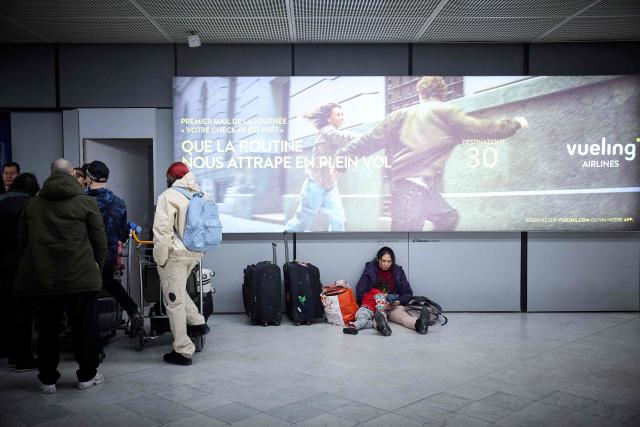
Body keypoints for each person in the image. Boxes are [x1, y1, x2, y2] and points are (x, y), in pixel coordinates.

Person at [339, 76, 528, 231]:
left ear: (420, 94)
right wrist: (516, 123)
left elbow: (368, 141)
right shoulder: (447, 112)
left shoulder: (400, 114)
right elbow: (483, 129)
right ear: (443, 94)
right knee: (403, 249)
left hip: (415, 189)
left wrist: (340, 161)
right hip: (410, 191)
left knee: (448, 217)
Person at [14, 158, 106, 393]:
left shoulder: (32, 206)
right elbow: (99, 241)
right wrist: (97, 266)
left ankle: (47, 379)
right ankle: (86, 376)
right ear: (73, 176)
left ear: (51, 174)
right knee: (84, 328)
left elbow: (22, 243)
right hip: (82, 275)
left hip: (45, 278)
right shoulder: (86, 203)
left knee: (47, 330)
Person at [153, 161, 209, 366]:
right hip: (194, 253)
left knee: (173, 301)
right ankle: (197, 322)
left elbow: (162, 230)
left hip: (175, 254)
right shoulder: (200, 195)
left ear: (170, 177)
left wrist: (160, 257)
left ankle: (183, 350)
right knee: (179, 291)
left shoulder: (167, 196)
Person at [85, 160, 143, 334]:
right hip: (108, 255)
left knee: (87, 296)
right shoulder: (119, 203)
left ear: (89, 178)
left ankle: (93, 339)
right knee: (110, 283)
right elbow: (120, 233)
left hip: (85, 255)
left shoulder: (82, 202)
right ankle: (133, 311)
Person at [285, 103, 359, 232]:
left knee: (338, 219)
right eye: (338, 115)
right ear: (329, 118)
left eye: (342, 115)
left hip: (330, 184)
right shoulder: (326, 131)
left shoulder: (330, 131)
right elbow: (342, 137)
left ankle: (336, 249)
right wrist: (363, 136)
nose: (342, 118)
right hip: (315, 184)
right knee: (302, 222)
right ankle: (283, 242)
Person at [0, 173, 39, 371]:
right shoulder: (32, 205)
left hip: (2, 264)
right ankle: (23, 357)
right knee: (24, 312)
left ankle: (10, 354)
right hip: (22, 264)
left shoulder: (1, 201)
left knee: (7, 311)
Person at [355, 247, 430, 334]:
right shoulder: (370, 270)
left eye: (389, 261)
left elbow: (408, 293)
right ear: (378, 259)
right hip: (375, 305)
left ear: (392, 261)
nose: (386, 264)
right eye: (383, 261)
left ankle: (420, 324)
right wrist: (379, 301)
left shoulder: (398, 271)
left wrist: (398, 301)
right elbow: (360, 293)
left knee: (403, 316)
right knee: (380, 314)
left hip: (392, 305)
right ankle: (382, 327)